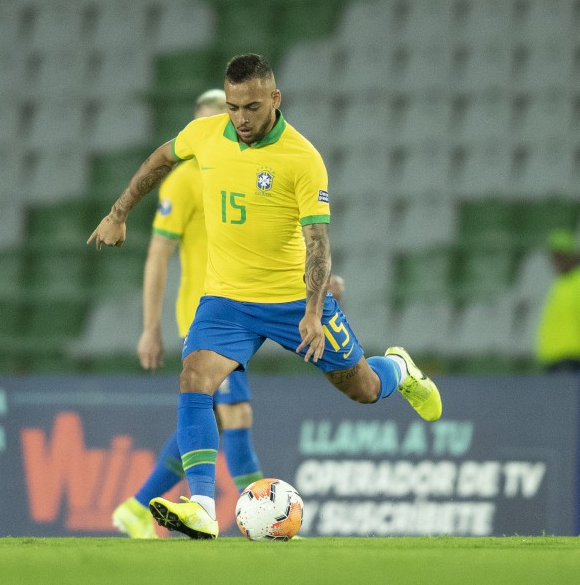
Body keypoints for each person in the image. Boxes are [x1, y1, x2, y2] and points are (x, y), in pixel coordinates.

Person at [88, 53, 441, 539]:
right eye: (233, 107)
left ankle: (399, 369)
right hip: (226, 301)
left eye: (251, 107)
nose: (241, 119)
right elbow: (162, 158)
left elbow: (317, 242)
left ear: (275, 99)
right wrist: (119, 211)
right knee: (193, 380)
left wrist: (314, 311)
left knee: (361, 388)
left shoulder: (301, 158)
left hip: (291, 300)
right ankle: (203, 508)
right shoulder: (209, 135)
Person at [112, 89, 264, 539]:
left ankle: (137, 508)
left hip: (239, 309)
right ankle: (262, 514)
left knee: (211, 421)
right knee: (235, 415)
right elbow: (157, 255)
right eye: (214, 117)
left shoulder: (245, 172)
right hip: (209, 316)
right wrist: (149, 327)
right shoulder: (185, 180)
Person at [535, 229, 580, 372]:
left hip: (571, 358)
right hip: (554, 359)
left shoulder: (576, 282)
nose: (555, 261)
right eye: (554, 256)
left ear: (572, 255)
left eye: (560, 255)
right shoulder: (559, 284)